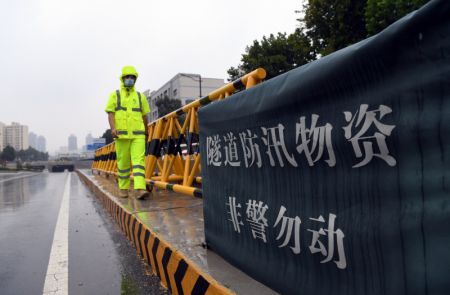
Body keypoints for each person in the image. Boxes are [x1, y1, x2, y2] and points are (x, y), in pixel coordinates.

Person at [105, 65, 150, 199]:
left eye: (132, 77)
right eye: (127, 77)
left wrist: (146, 132)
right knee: (123, 163)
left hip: (138, 135)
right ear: (123, 78)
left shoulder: (140, 97)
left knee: (139, 162)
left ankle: (140, 189)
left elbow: (145, 116)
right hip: (121, 135)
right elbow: (110, 113)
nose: (130, 79)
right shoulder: (115, 95)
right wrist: (113, 128)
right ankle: (123, 188)